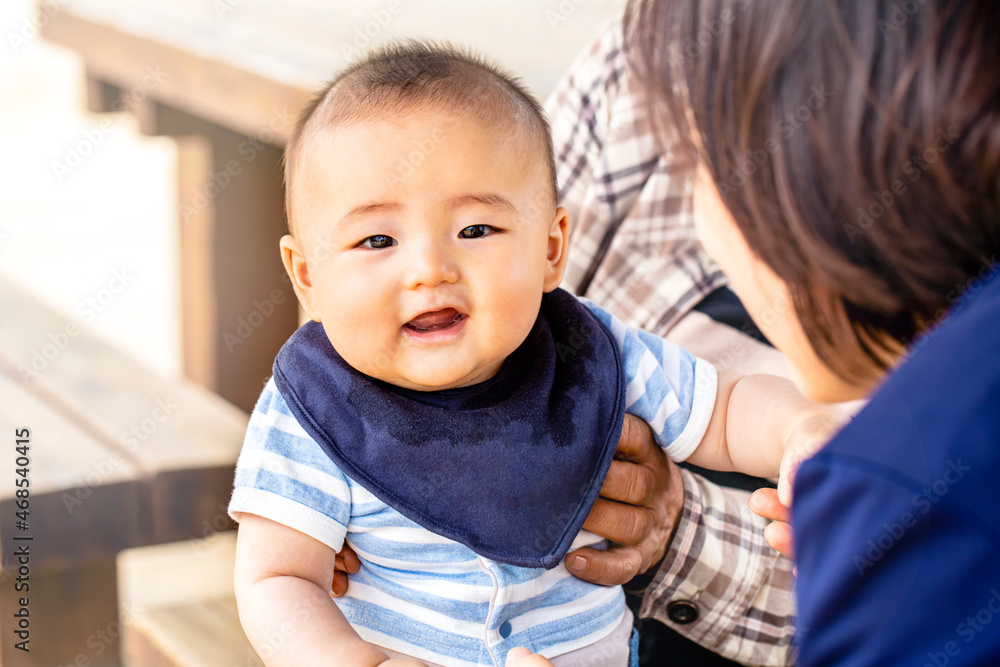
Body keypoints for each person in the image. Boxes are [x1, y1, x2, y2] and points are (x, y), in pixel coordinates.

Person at [227, 41, 846, 666]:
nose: (429, 270)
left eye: (475, 230)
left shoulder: (588, 356)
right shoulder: (310, 406)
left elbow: (729, 409)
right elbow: (277, 582)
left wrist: (799, 427)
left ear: (552, 249)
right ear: (306, 276)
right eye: (377, 238)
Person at [510, 0, 1000, 664]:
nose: (695, 206)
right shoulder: (663, 46)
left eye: (695, 163)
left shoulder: (913, 481)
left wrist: (680, 526)